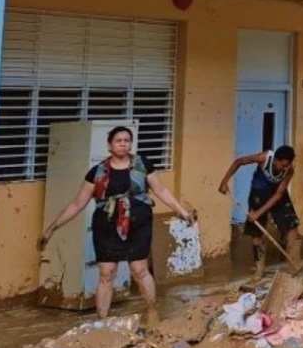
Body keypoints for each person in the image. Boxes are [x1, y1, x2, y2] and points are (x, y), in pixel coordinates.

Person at [39, 126, 194, 325]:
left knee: (139, 269)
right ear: (110, 145)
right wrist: (52, 228)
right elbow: (77, 203)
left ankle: (152, 312)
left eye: (127, 140)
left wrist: (181, 211)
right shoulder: (97, 172)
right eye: (118, 140)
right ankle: (102, 322)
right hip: (107, 226)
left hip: (138, 224)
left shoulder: (142, 164)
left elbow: (161, 190)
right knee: (106, 273)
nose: (123, 143)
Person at [219, 146, 303, 280]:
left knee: (292, 226)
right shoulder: (264, 158)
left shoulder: (289, 171)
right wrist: (224, 182)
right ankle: (259, 269)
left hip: (278, 195)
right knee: (256, 232)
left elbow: (278, 195)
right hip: (259, 193)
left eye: (288, 165)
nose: (285, 169)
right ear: (275, 159)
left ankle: (293, 267)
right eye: (283, 165)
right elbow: (239, 162)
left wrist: (259, 213)